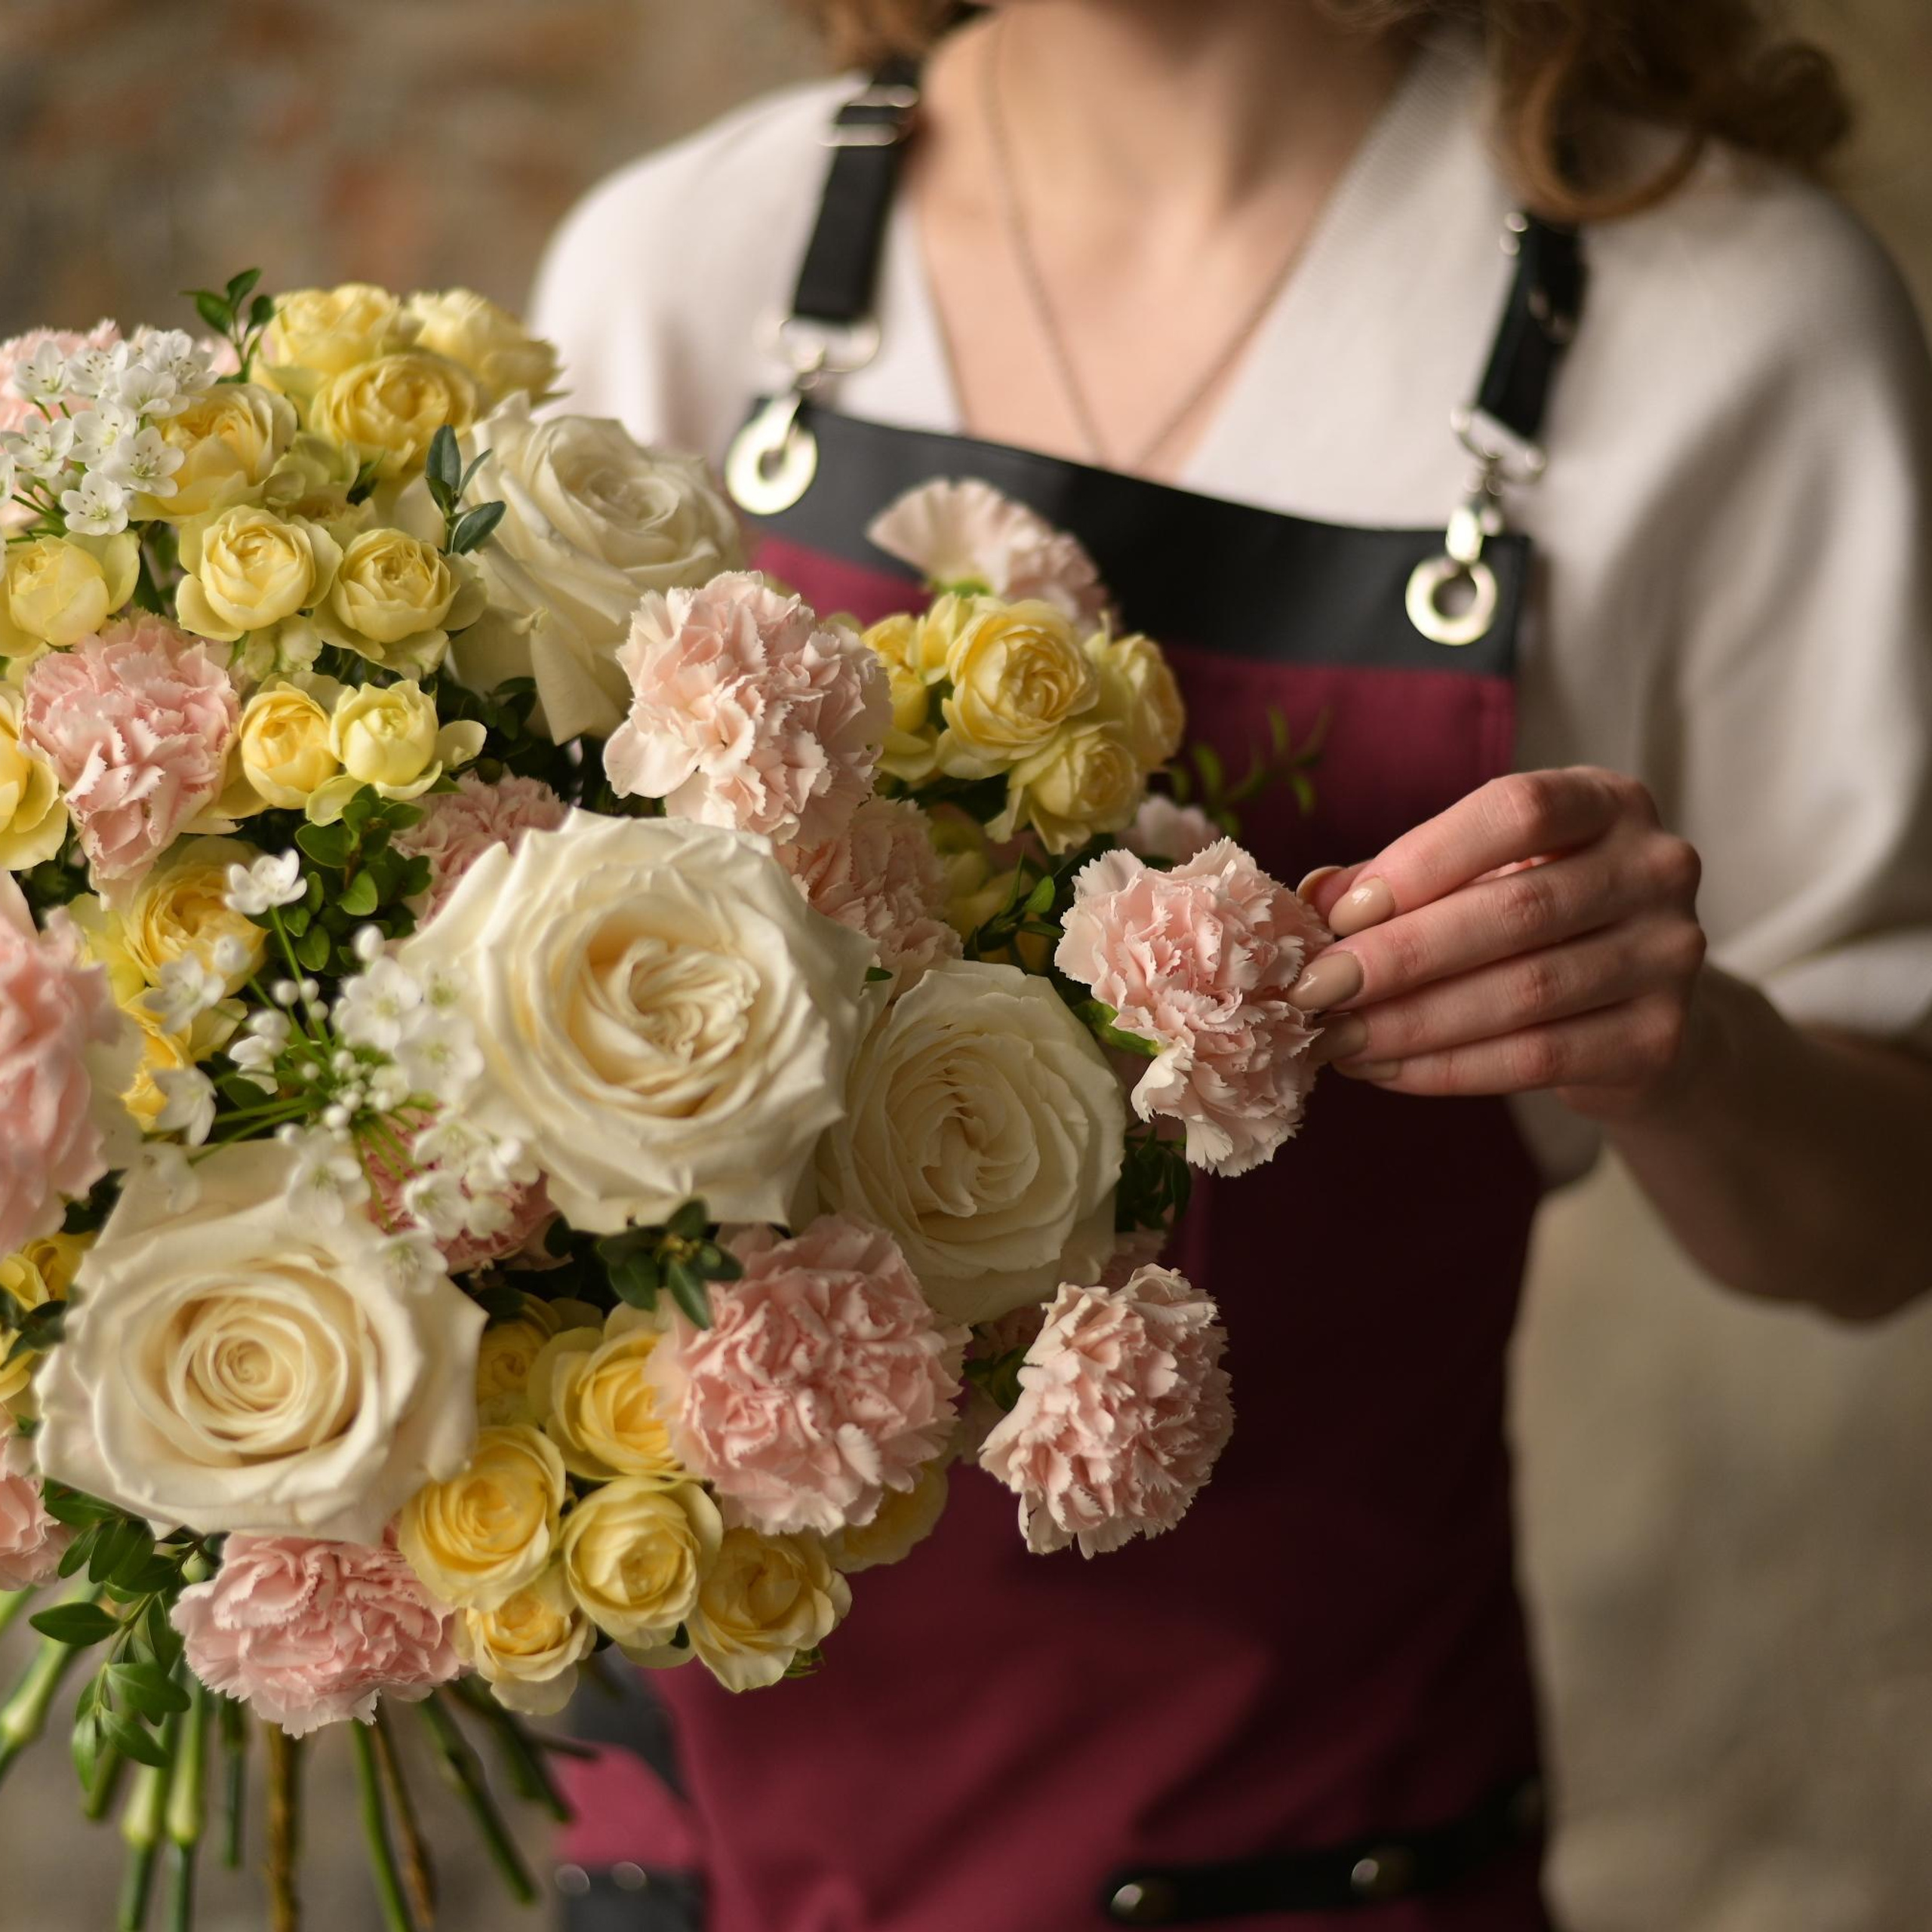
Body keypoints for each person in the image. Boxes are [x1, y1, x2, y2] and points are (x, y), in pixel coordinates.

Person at [531, 3, 1932, 1927]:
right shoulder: (685, 265)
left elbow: (1873, 1225)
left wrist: (1680, 1047)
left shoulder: (1726, 321)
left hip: (1290, 1842)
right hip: (686, 1839)